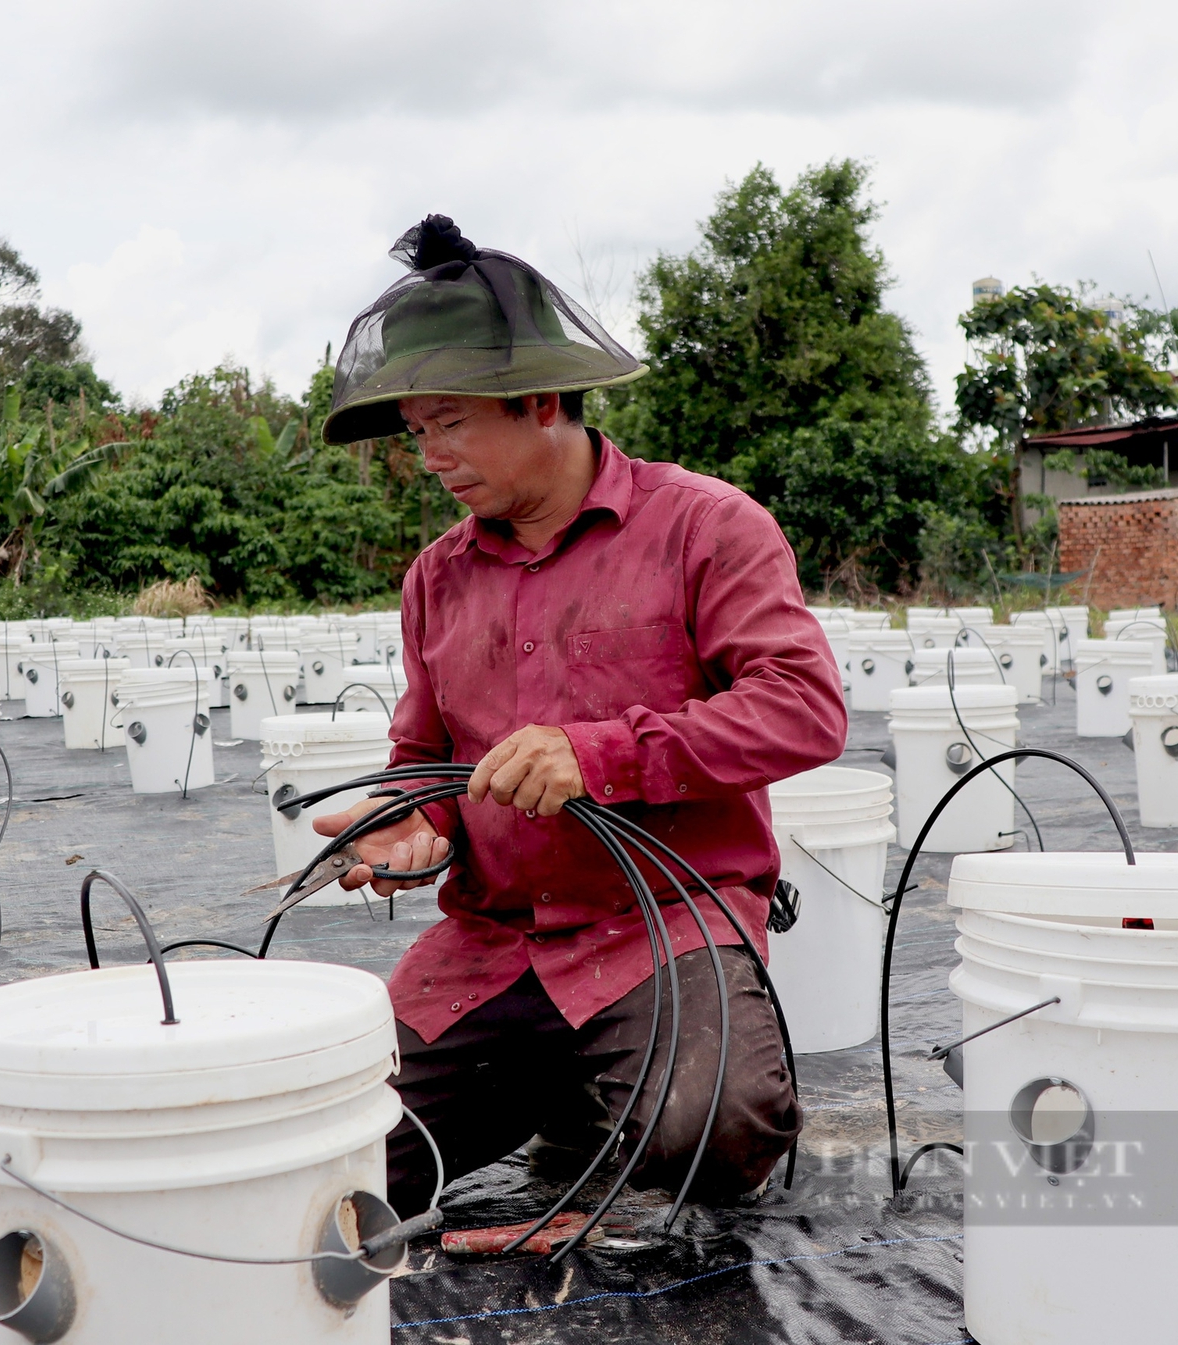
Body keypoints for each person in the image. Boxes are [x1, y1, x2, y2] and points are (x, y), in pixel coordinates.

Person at [313, 216, 849, 1217]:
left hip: (659, 928)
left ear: (542, 402)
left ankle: (611, 1084)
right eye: (417, 429)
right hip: (489, 948)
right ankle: (563, 1085)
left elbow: (804, 710)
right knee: (324, 1157)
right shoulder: (437, 576)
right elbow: (423, 759)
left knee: (710, 1126)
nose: (429, 453)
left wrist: (600, 754)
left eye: (450, 422)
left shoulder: (704, 527)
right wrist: (411, 823)